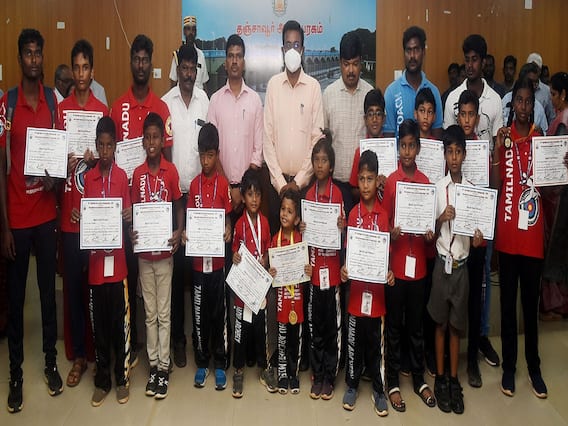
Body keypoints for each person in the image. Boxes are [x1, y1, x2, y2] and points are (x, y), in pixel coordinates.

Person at [0, 28, 62, 414]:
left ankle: (51, 363)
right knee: (17, 299)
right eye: (28, 53)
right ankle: (16, 375)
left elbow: (57, 154)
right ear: (20, 58)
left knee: (47, 296)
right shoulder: (5, 105)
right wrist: (4, 226)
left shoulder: (53, 101)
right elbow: (0, 167)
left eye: (38, 53)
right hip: (18, 219)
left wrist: (55, 177)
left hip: (46, 215)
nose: (34, 59)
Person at [110, 34, 174, 368]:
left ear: (151, 63)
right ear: (131, 62)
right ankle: (134, 343)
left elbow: (169, 161)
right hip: (127, 209)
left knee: (154, 282)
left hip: (156, 215)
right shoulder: (117, 106)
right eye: (135, 58)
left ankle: (161, 349)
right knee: (131, 275)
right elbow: (109, 158)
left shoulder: (161, 108)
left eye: (145, 59)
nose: (140, 64)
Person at [491, 78, 548, 399]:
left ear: (533, 105)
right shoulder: (506, 138)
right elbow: (496, 184)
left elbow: (551, 188)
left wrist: (562, 167)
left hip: (533, 236)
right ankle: (509, 368)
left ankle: (534, 367)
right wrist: (498, 150)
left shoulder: (541, 140)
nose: (524, 107)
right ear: (512, 105)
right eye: (519, 101)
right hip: (508, 235)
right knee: (508, 306)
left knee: (530, 306)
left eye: (528, 101)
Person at [57, 38, 109, 387]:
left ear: (92, 72)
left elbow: (109, 163)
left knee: (96, 290)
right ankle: (78, 355)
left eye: (85, 67)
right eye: (75, 67)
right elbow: (48, 166)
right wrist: (62, 161)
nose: (80, 73)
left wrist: (95, 161)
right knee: (74, 290)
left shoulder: (101, 110)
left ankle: (98, 351)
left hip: (95, 219)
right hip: (68, 217)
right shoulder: (61, 112)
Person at [71, 116, 133, 406]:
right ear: (96, 146)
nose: (105, 151)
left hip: (118, 265)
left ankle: (122, 378)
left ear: (115, 146)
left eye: (110, 145)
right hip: (96, 267)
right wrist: (80, 218)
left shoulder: (121, 177)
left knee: (120, 325)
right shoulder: (89, 179)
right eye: (101, 146)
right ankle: (103, 380)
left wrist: (128, 216)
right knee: (100, 328)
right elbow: (87, 217)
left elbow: (129, 214)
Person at [382, 119, 436, 412]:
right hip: (397, 267)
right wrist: (391, 233)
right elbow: (385, 224)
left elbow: (430, 234)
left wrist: (429, 236)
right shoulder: (392, 182)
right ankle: (392, 382)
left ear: (418, 148)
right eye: (402, 146)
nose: (406, 151)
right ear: (398, 147)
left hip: (419, 270)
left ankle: (418, 378)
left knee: (416, 327)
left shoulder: (426, 183)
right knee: (394, 327)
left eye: (411, 146)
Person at [430, 125, 484, 415]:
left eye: (458, 152)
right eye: (449, 151)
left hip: (461, 267)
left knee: (455, 326)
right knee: (440, 323)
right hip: (442, 264)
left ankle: (453, 380)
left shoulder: (472, 191)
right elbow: (429, 230)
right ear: (444, 154)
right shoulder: (438, 188)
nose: (453, 157)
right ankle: (440, 378)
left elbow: (479, 235)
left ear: (464, 155)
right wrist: (441, 218)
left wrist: (478, 240)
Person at [162, 42, 209, 368]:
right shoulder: (166, 103)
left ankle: (202, 340)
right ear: (177, 69)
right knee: (178, 273)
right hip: (175, 198)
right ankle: (179, 341)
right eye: (184, 68)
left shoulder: (206, 101)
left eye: (193, 69)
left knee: (200, 271)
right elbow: (165, 153)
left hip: (201, 199)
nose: (189, 74)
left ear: (197, 71)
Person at [130, 113, 184, 399]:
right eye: (147, 137)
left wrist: (179, 231)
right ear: (143, 141)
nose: (152, 142)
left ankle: (164, 366)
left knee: (164, 312)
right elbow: (134, 213)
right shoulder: (137, 174)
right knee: (149, 313)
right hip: (144, 256)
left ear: (163, 141)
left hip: (164, 254)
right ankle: (153, 365)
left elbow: (178, 205)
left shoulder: (170, 171)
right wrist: (132, 234)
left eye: (156, 137)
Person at [340, 149, 395, 417]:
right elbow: (349, 254)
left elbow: (387, 257)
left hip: (377, 299)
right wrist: (344, 270)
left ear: (377, 180)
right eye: (361, 179)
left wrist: (389, 273)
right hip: (355, 296)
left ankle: (378, 389)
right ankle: (351, 385)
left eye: (370, 179)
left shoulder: (383, 217)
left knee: (376, 345)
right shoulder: (353, 215)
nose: (364, 185)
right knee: (354, 342)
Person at [263, 19, 324, 234]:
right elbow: (267, 140)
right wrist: (281, 184)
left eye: (296, 45)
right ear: (282, 50)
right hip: (276, 189)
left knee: (303, 244)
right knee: (276, 244)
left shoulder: (314, 88)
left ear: (303, 50)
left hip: (305, 187)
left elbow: (317, 141)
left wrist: (297, 182)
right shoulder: (273, 86)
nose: (292, 50)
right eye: (288, 45)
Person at [184, 123, 232, 390]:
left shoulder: (223, 185)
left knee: (218, 312)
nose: (205, 161)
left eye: (210, 155)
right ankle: (202, 361)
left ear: (217, 154)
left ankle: (220, 363)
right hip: (197, 264)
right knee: (200, 312)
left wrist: (228, 230)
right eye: (202, 155)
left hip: (218, 263)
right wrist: (187, 234)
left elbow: (228, 220)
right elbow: (191, 221)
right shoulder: (194, 185)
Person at [300, 131, 344, 400]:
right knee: (315, 326)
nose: (319, 164)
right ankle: (317, 374)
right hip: (315, 273)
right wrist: (303, 229)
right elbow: (304, 239)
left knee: (331, 327)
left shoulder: (338, 195)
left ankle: (330, 374)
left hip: (333, 274)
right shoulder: (308, 195)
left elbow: (344, 235)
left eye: (324, 160)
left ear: (331, 166)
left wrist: (342, 226)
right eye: (316, 159)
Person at [207, 34, 263, 217]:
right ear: (225, 62)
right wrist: (229, 188)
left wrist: (242, 189)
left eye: (238, 56)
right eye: (230, 56)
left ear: (244, 62)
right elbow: (211, 148)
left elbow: (258, 151)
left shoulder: (255, 100)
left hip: (249, 194)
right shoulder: (215, 100)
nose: (234, 61)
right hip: (220, 189)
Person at [455, 89, 487, 388]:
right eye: (462, 115)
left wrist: (483, 232)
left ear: (477, 118)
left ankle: (473, 360)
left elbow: (489, 192)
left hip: (476, 236)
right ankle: (442, 356)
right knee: (450, 298)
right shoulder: (451, 148)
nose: (467, 120)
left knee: (475, 299)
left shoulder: (481, 149)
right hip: (452, 238)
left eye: (471, 115)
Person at [230, 168, 271, 398]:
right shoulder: (239, 225)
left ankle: (264, 368)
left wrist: (265, 259)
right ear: (243, 197)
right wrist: (235, 256)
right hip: (241, 290)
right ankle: (238, 369)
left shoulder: (265, 223)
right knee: (240, 331)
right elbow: (234, 250)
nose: (254, 199)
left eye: (257, 194)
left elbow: (268, 249)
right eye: (250, 194)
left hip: (259, 289)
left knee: (260, 328)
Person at [322, 32, 373, 214]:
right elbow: (323, 141)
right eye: (346, 64)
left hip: (364, 187)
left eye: (355, 64)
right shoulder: (328, 94)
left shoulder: (370, 93)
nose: (351, 70)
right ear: (340, 63)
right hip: (336, 184)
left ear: (361, 63)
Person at [268, 189, 311, 394]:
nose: (284, 214)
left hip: (298, 301)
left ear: (297, 219)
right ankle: (283, 374)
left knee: (296, 340)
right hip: (281, 301)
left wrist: (309, 270)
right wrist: (271, 272)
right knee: (282, 338)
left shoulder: (301, 241)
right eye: (283, 209)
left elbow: (307, 269)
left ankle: (294, 374)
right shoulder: (274, 241)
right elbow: (270, 273)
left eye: (290, 211)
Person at [540, 72, 568, 319]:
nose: (551, 98)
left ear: (563, 95)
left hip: (559, 195)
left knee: (555, 248)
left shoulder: (562, 122)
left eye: (553, 94)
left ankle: (555, 304)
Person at [383, 26, 443, 138]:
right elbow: (388, 138)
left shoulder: (434, 92)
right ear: (403, 53)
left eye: (416, 50)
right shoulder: (391, 92)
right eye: (408, 50)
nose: (412, 56)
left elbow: (437, 137)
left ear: (423, 52)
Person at [443, 34, 503, 147]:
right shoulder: (452, 98)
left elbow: (497, 144)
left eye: (474, 60)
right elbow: (448, 140)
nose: (470, 65)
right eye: (467, 60)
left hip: (487, 158)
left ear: (483, 62)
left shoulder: (495, 100)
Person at [349, 89, 387, 202]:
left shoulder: (392, 151)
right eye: (370, 114)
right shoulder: (359, 152)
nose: (374, 119)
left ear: (384, 119)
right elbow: (353, 191)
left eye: (378, 114)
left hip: (386, 210)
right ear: (365, 119)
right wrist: (371, 185)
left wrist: (388, 184)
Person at [169, 15, 209, 92]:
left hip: (198, 97)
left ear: (196, 32)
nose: (191, 33)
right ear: (184, 31)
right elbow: (173, 83)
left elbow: (204, 83)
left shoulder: (200, 55)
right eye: (188, 29)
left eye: (193, 29)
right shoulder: (177, 55)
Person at [526, 53, 555, 124]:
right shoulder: (520, 88)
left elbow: (551, 117)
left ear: (540, 71)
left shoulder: (547, 91)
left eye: (535, 68)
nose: (533, 70)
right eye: (530, 67)